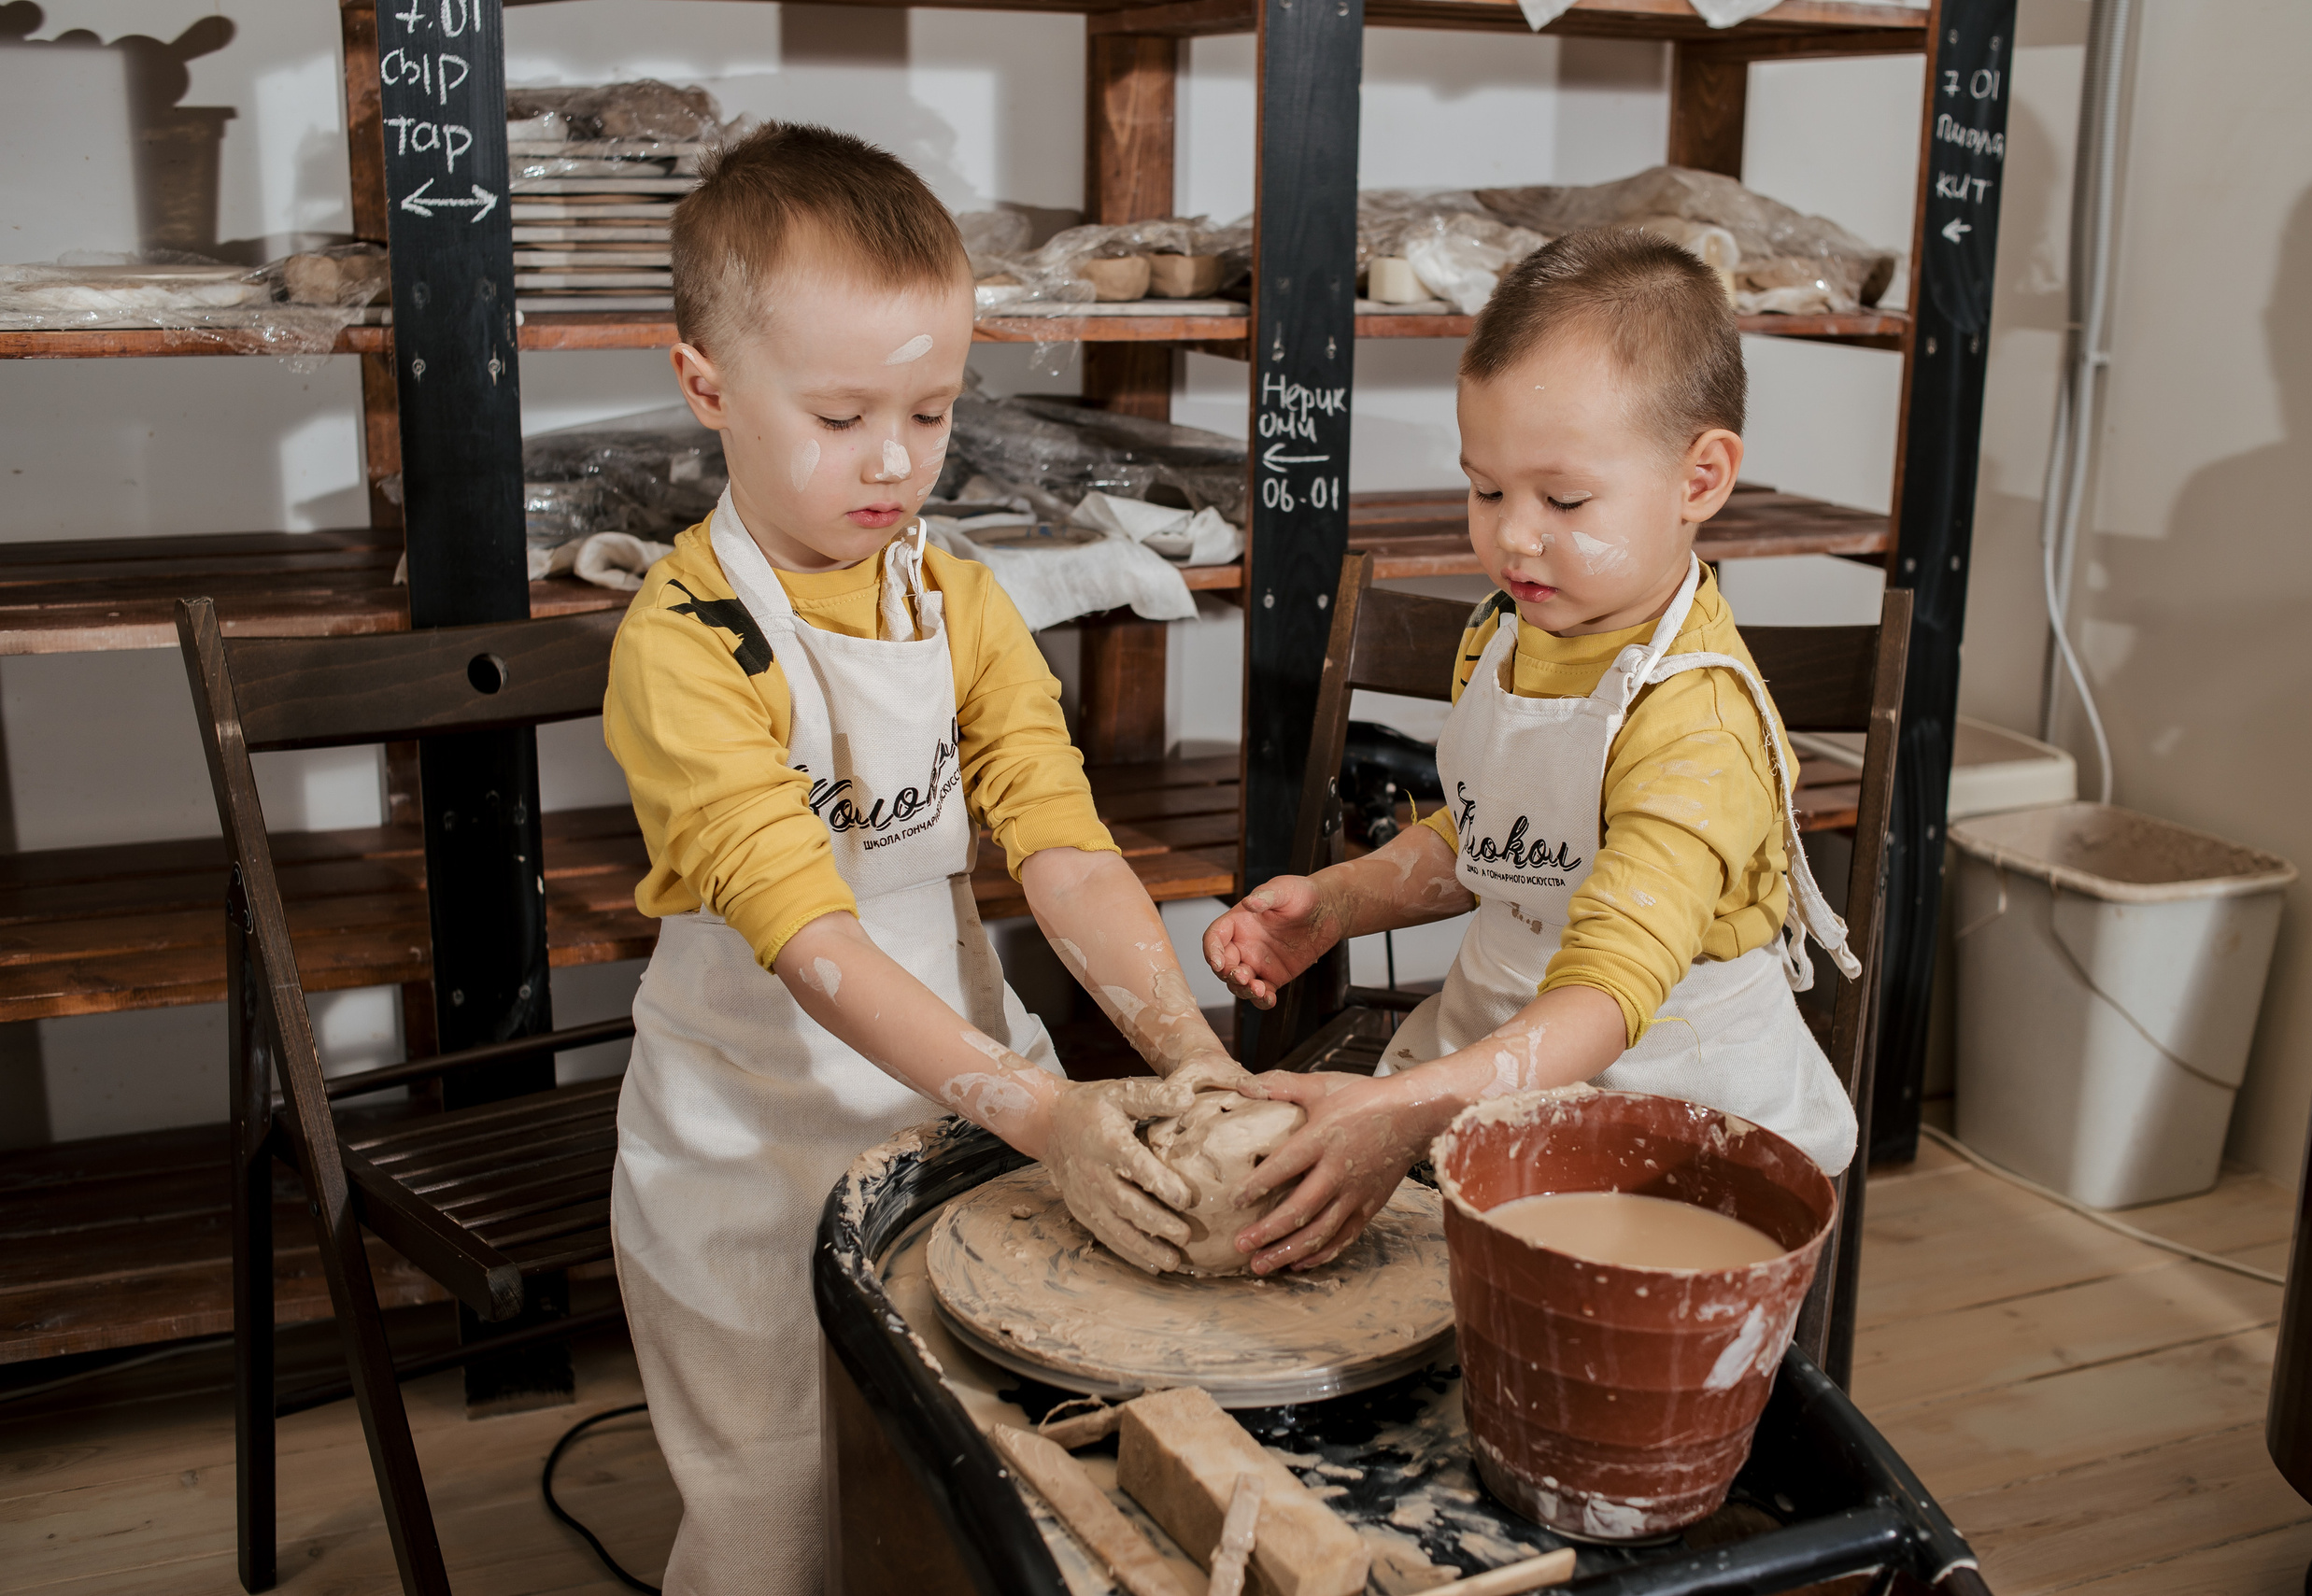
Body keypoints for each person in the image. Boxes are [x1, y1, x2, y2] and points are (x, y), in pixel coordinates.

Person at [603, 123, 1235, 1594]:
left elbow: (1063, 849)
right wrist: (1042, 1112)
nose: (896, 462)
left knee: (974, 1493)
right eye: (840, 418)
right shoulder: (687, 646)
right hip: (749, 1145)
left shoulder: (959, 602)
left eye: (934, 412)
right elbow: (816, 941)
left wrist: (1180, 1040)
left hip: (963, 1107)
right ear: (706, 387)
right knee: (782, 1531)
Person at [1203, 228, 1861, 1276]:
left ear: (1700, 477)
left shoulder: (1696, 724)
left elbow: (1606, 994)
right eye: (1486, 489)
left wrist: (1408, 1104)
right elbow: (1488, 833)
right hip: (1495, 1045)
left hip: (1661, 1111)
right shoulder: (1511, 631)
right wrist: (1339, 902)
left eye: (1562, 501)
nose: (1513, 537)